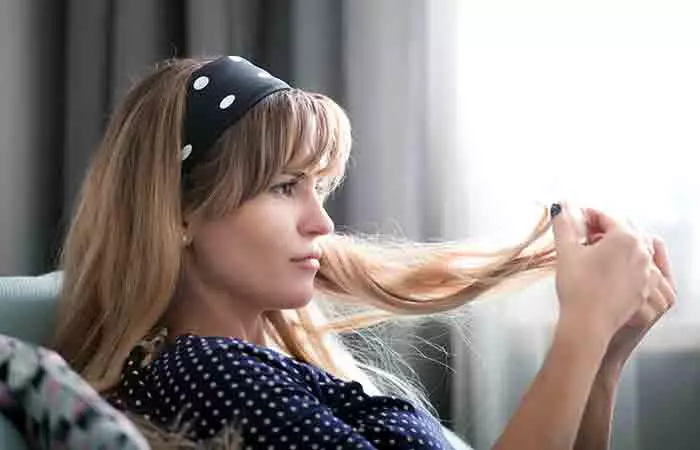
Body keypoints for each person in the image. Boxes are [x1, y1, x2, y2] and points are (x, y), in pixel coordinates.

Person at [51, 55, 676, 450]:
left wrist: (606, 358)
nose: (320, 221)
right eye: (283, 186)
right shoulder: (205, 376)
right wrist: (582, 329)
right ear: (181, 212)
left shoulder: (277, 367)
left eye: (319, 187)